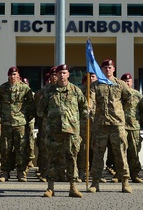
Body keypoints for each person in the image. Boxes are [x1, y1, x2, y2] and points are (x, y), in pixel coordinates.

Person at [38, 63, 86, 198]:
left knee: (72, 158)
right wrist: (52, 118)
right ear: (56, 75)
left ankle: (73, 187)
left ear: (68, 74)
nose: (62, 75)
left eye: (64, 73)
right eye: (60, 73)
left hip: (71, 131)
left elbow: (84, 108)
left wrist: (75, 121)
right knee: (52, 159)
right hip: (54, 131)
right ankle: (50, 188)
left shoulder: (76, 91)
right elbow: (41, 110)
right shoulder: (48, 91)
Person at [87, 59, 133, 193]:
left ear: (114, 69)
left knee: (120, 154)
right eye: (105, 67)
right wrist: (89, 108)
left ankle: (125, 181)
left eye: (110, 67)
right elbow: (91, 99)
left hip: (117, 124)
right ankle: (95, 182)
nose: (108, 69)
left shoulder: (120, 84)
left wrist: (119, 111)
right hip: (100, 125)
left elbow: (128, 99)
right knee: (98, 155)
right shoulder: (96, 85)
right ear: (101, 69)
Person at [0, 66, 34, 181]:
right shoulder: (3, 88)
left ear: (18, 76)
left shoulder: (25, 88)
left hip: (20, 123)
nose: (13, 77)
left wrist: (25, 116)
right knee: (5, 148)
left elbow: (31, 104)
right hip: (6, 123)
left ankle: (21, 172)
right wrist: (2, 113)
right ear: (8, 76)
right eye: (11, 75)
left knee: (21, 148)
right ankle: (5, 172)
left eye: (15, 75)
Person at [120, 72, 143, 183]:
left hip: (134, 127)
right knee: (121, 152)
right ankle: (120, 174)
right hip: (121, 127)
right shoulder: (118, 94)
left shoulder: (138, 95)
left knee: (134, 152)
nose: (127, 83)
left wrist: (138, 120)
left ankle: (134, 174)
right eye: (125, 81)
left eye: (128, 81)